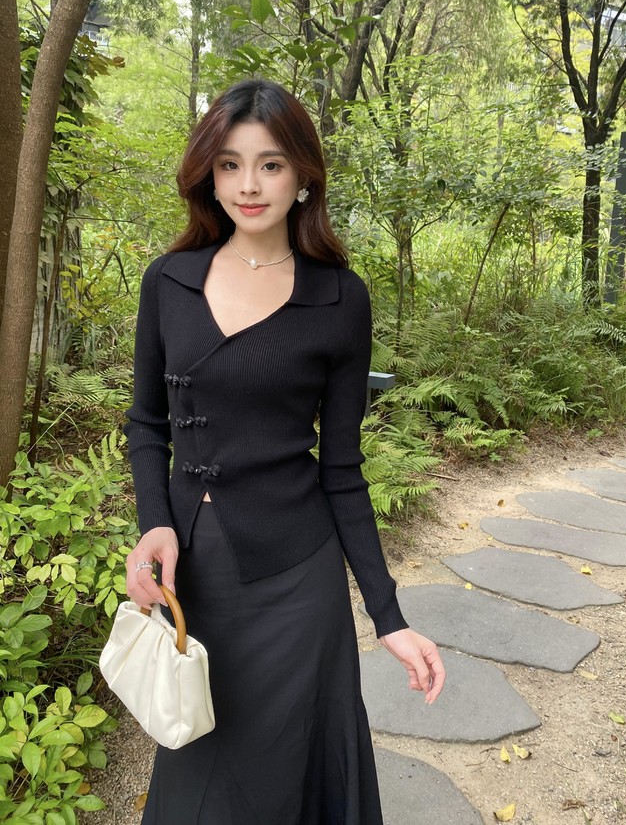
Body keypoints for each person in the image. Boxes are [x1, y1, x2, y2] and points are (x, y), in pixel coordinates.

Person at [123, 79, 445, 825]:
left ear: (302, 174)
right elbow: (146, 424)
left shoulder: (340, 297)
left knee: (293, 769)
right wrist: (155, 523)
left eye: (270, 164)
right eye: (230, 164)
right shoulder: (169, 282)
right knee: (202, 776)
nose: (249, 184)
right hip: (198, 571)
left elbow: (342, 472)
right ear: (209, 175)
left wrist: (389, 616)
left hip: (300, 579)